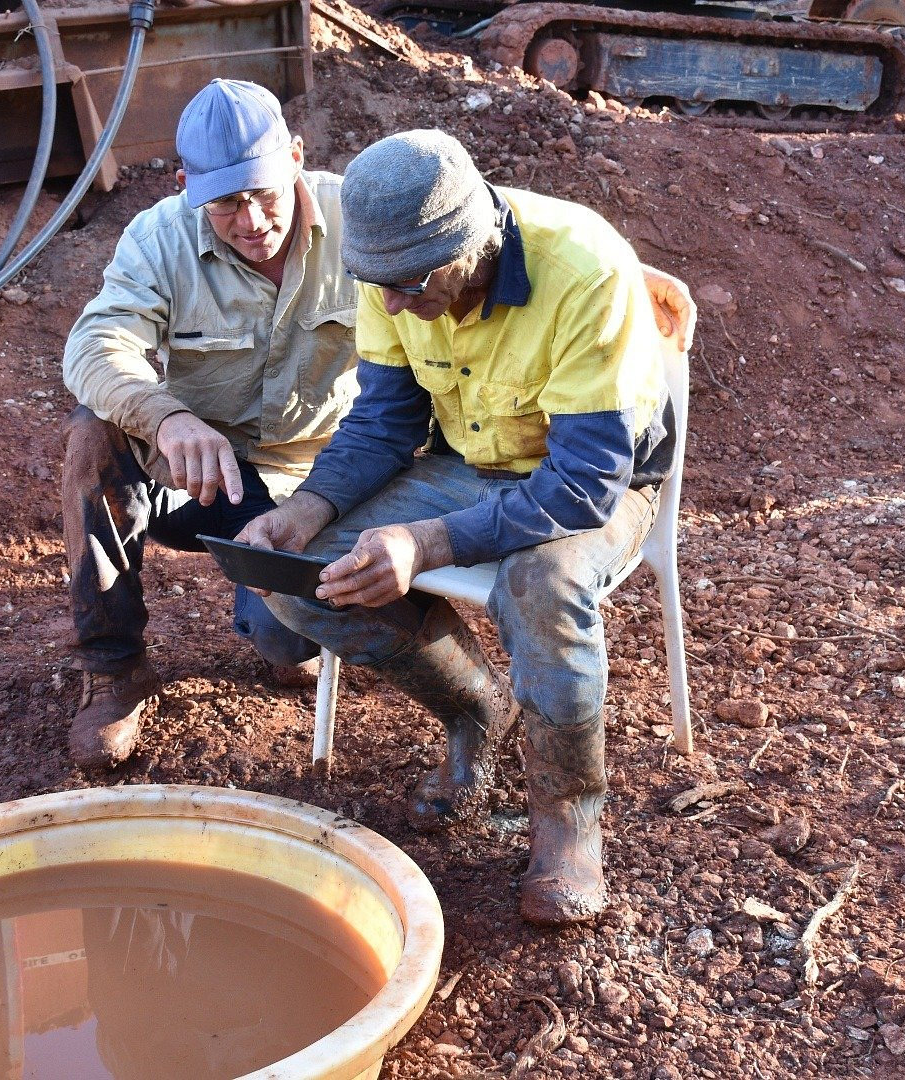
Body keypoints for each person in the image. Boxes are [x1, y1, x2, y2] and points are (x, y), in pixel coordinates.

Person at [239, 130, 693, 925]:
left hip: (594, 478)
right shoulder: (391, 273)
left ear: (474, 246)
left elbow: (584, 485)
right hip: (469, 460)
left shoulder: (584, 267)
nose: (391, 306)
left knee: (541, 585)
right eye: (374, 284)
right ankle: (475, 710)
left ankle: (567, 819)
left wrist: (426, 542)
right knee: (303, 576)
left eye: (411, 287)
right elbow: (383, 423)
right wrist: (308, 507)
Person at [59, 79, 359, 771]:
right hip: (202, 478)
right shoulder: (160, 235)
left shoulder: (359, 217)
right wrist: (166, 417)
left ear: (296, 155)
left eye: (264, 193)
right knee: (92, 433)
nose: (251, 220)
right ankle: (114, 668)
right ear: (185, 182)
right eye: (224, 201)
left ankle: (287, 623)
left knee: (289, 643)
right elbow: (94, 345)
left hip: (322, 483)